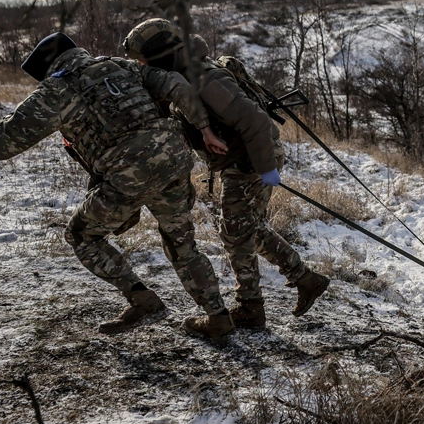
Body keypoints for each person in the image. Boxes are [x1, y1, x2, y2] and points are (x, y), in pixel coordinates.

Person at [0, 33, 235, 340]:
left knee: (81, 234)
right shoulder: (120, 65)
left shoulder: (54, 91)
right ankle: (218, 316)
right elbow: (176, 85)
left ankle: (142, 300)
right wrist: (203, 128)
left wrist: (24, 110)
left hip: (127, 173)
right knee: (181, 241)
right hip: (172, 159)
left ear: (48, 69)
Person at [122, 19, 330, 330]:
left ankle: (250, 307)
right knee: (248, 228)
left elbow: (257, 123)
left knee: (234, 233)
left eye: (142, 59)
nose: (140, 66)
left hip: (249, 160)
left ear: (158, 53)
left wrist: (265, 170)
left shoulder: (205, 79)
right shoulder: (183, 74)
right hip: (244, 159)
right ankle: (305, 279)